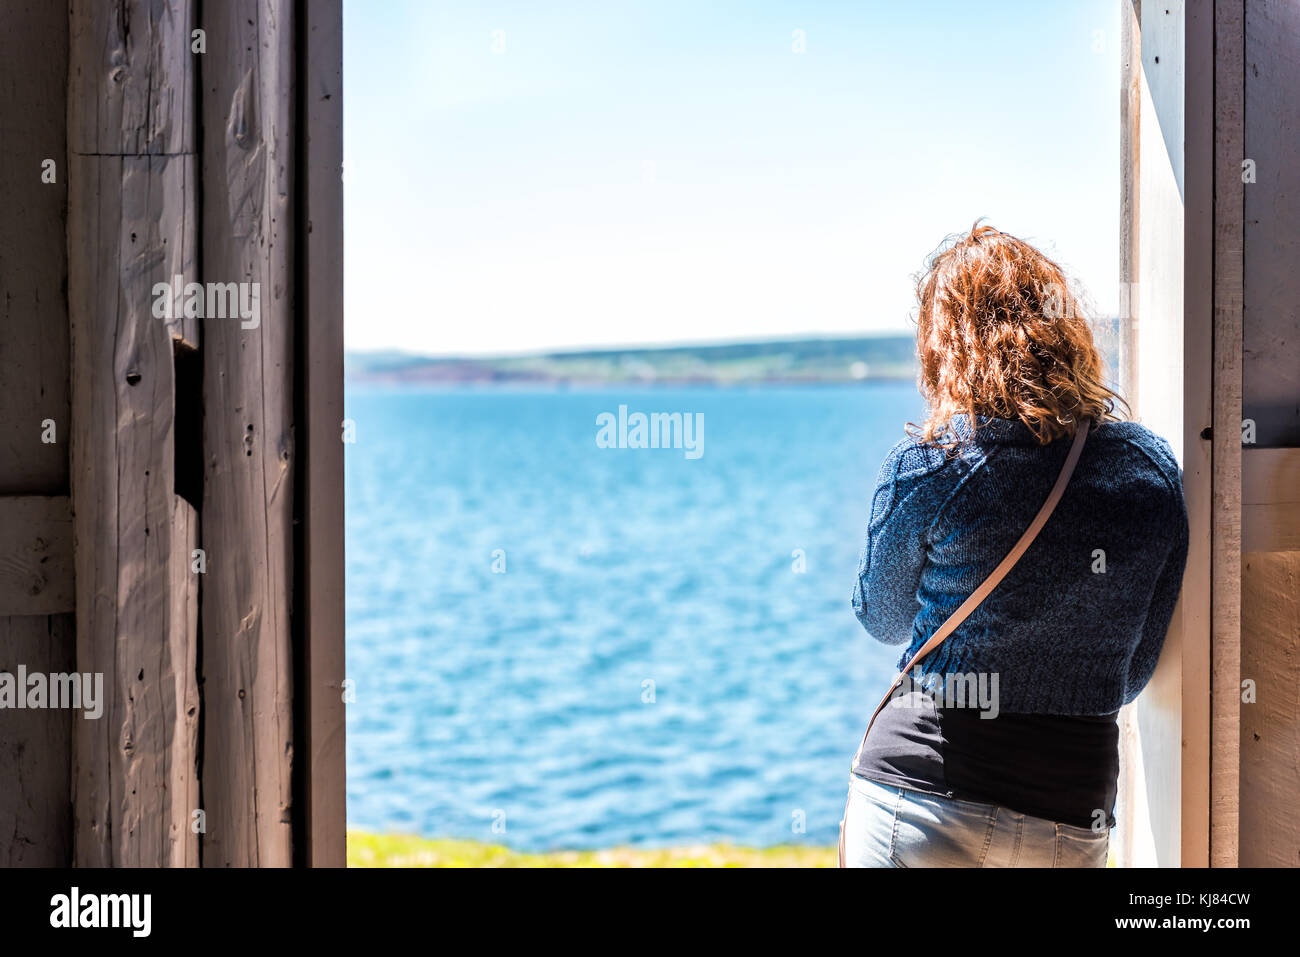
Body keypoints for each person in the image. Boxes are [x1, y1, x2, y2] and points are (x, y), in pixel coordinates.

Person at [841, 223, 1189, 868]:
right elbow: (1134, 668)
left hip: (922, 787)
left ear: (945, 347)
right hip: (1070, 800)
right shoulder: (1149, 472)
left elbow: (882, 619)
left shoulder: (929, 465)